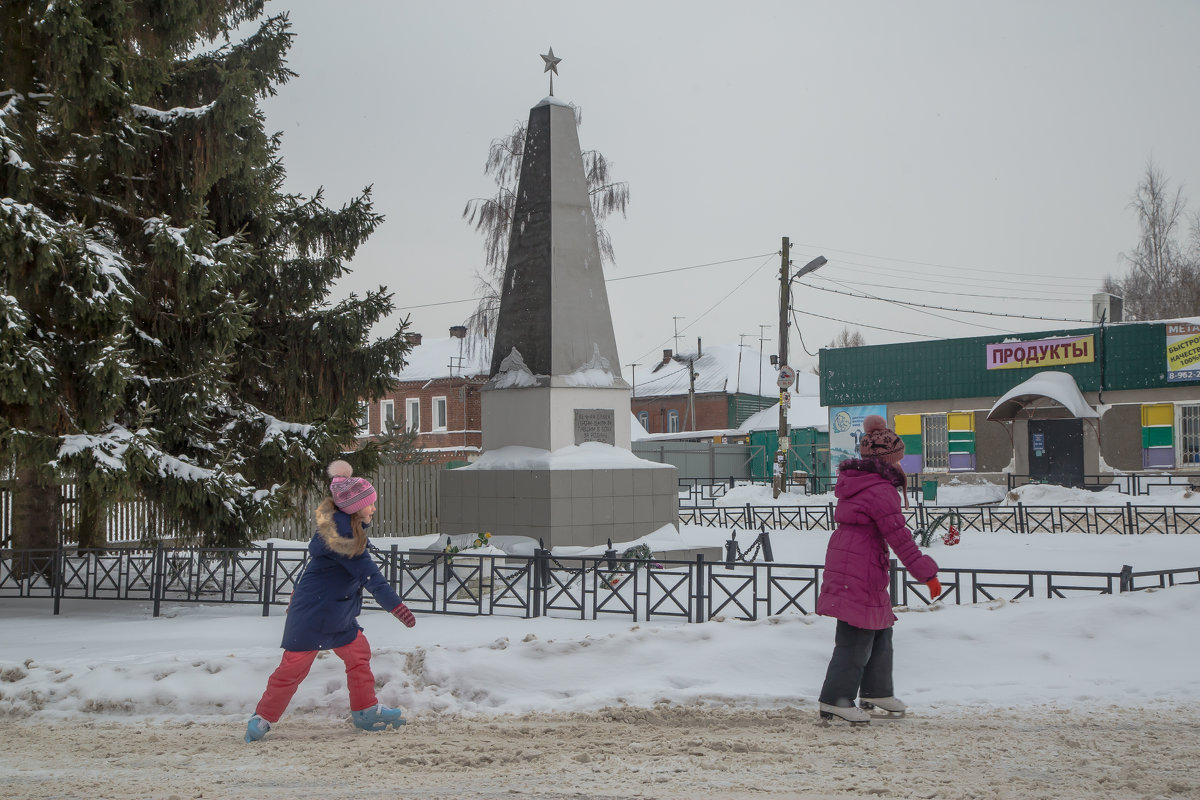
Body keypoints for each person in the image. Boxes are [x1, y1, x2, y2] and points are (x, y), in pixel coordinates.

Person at [244, 460, 417, 742]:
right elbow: (372, 578)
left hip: (334, 614)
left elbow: (316, 574)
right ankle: (261, 719)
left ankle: (366, 710)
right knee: (293, 669)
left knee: (358, 654)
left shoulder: (345, 534)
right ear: (353, 508)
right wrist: (397, 607)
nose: (373, 508)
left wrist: (296, 596)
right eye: (369, 503)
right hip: (315, 615)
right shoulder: (345, 543)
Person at [815, 415, 941, 723]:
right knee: (857, 634)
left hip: (858, 558)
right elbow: (899, 536)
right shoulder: (881, 491)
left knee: (880, 628)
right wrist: (926, 573)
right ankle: (836, 699)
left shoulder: (866, 482)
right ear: (889, 461)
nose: (903, 466)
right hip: (858, 561)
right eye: (899, 459)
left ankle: (876, 690)